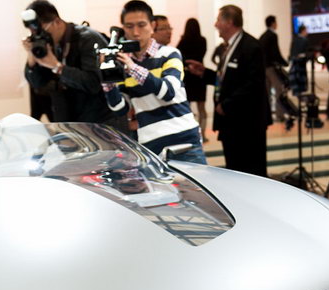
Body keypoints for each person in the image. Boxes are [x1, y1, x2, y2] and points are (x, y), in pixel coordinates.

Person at [102, 1, 206, 164]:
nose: (136, 32)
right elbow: (120, 108)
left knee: (197, 182)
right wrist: (107, 79)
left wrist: (133, 68)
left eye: (141, 25)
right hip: (150, 145)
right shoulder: (125, 64)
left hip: (184, 143)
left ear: (152, 25)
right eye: (129, 26)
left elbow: (168, 92)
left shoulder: (169, 54)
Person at [185, 5, 271, 176]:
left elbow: (254, 84)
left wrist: (226, 105)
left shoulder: (251, 46)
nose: (215, 24)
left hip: (247, 124)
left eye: (218, 20)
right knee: (234, 171)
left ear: (229, 22)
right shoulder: (228, 47)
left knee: (251, 172)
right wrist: (204, 73)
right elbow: (227, 79)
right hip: (231, 123)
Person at [22, 1, 126, 133]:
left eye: (43, 30)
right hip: (70, 126)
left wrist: (57, 67)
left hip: (100, 126)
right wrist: (32, 58)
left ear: (57, 22)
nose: (40, 36)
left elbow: (93, 83)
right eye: (34, 32)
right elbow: (37, 83)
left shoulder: (88, 39)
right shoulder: (48, 44)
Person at [177, 18, 208, 140]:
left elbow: (179, 55)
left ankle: (191, 134)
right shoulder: (202, 40)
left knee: (187, 108)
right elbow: (202, 54)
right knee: (202, 108)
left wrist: (187, 64)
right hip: (200, 76)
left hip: (188, 76)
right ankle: (203, 135)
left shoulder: (183, 41)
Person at [259, 15, 289, 122]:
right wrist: (284, 63)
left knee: (266, 92)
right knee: (279, 89)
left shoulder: (263, 36)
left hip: (263, 67)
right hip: (271, 67)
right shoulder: (272, 35)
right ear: (272, 23)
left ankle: (265, 116)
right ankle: (280, 115)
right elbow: (275, 52)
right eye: (276, 22)